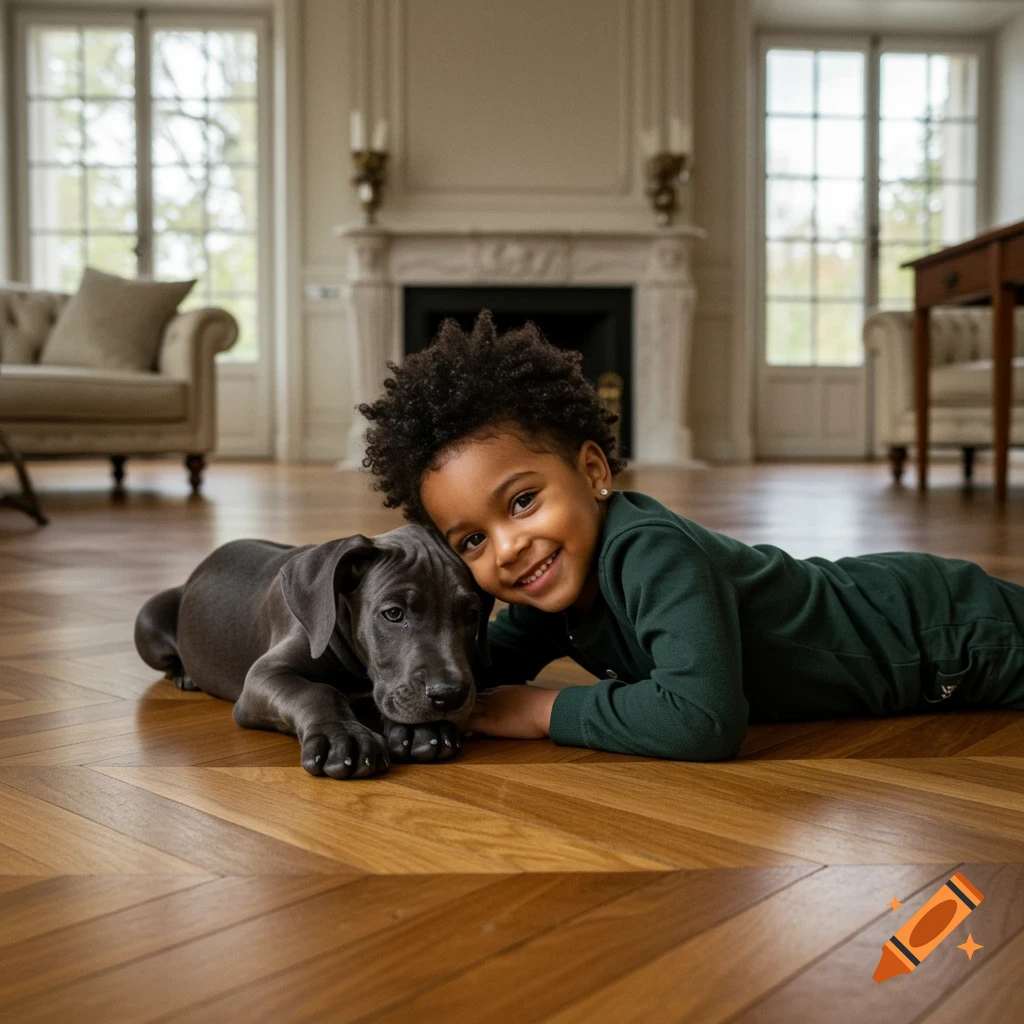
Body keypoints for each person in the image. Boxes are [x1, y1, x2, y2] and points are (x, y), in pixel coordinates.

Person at [356, 311, 1024, 760]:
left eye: (524, 501)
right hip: (928, 628)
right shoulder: (548, 593)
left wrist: (535, 712)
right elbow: (485, 665)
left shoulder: (650, 551)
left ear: (592, 471)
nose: (508, 547)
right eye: (471, 541)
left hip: (948, 634)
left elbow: (703, 719)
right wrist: (372, 691)